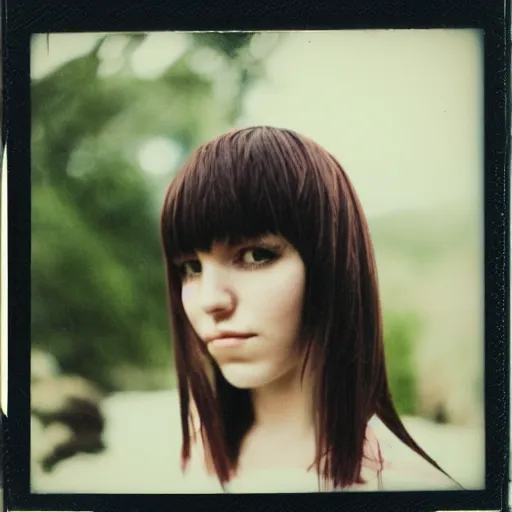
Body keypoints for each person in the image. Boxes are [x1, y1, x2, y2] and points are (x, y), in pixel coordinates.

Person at [160, 126, 461, 493]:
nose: (210, 300)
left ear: (330, 266)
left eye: (256, 255)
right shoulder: (182, 467)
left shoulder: (411, 489)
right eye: (191, 268)